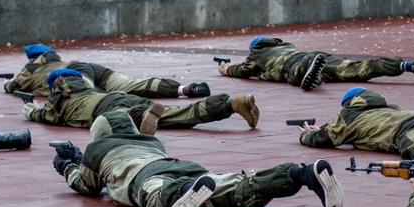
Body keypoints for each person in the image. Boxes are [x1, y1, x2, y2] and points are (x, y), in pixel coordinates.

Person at [53, 109, 344, 207]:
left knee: (155, 197)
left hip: (146, 177)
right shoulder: (151, 141)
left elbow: (87, 186)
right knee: (239, 189)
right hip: (185, 167)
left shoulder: (96, 150)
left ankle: (184, 194)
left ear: (98, 135)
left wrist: (68, 165)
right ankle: (302, 174)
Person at [23, 68, 259, 133]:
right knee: (176, 113)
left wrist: (32, 111)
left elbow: (48, 116)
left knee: (171, 118)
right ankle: (230, 103)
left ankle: (140, 116)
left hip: (108, 110)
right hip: (117, 97)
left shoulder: (57, 97)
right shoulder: (84, 85)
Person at [218, 35, 414, 92]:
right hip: (314, 55)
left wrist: (226, 69)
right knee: (358, 67)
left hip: (293, 64)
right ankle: (405, 66)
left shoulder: (257, 55)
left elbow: (243, 70)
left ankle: (309, 74)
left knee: (294, 72)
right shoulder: (285, 45)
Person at [4, 43, 210, 100]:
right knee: (130, 84)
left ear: (32, 58)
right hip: (90, 67)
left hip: (73, 74)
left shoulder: (30, 69)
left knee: (93, 98)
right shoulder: (58, 59)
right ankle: (183, 89)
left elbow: (13, 86)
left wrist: (9, 82)